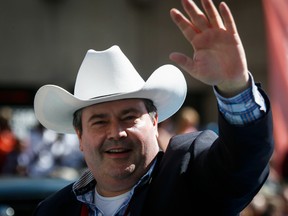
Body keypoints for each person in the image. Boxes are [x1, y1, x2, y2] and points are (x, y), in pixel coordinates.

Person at [32, 0, 274, 215]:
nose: (117, 132)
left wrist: (234, 87)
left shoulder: (189, 173)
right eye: (100, 121)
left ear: (155, 121)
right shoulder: (54, 209)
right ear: (80, 136)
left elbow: (241, 164)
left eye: (129, 117)